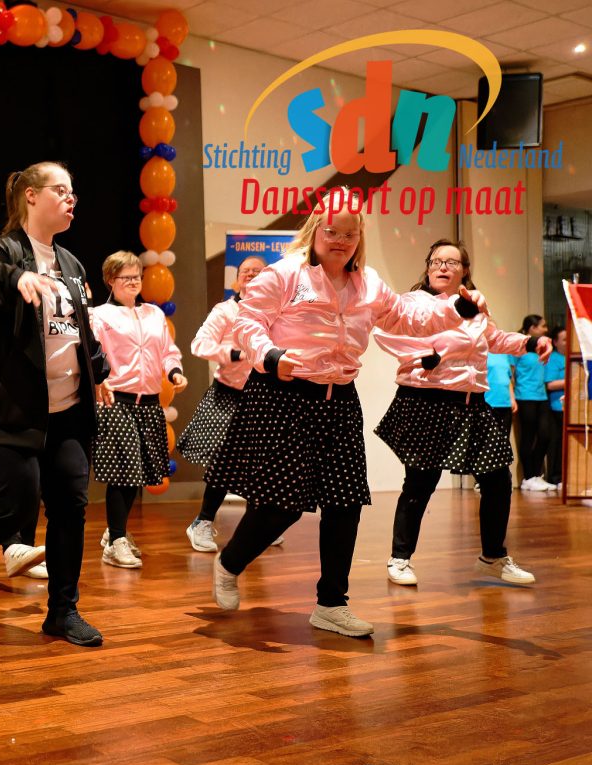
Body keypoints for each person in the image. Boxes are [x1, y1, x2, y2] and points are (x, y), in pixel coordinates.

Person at [205, 187, 486, 637]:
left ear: (360, 237)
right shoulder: (284, 274)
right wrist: (271, 355)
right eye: (332, 232)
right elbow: (247, 321)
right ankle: (230, 562)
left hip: (339, 400)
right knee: (282, 505)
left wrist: (457, 308)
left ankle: (331, 603)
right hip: (285, 395)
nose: (340, 241)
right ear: (316, 229)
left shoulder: (368, 283)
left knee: (345, 502)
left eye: (349, 234)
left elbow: (407, 319)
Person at [0, 161, 110, 646]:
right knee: (15, 507)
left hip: (68, 412)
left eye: (74, 193)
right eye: (61, 190)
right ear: (31, 195)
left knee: (70, 508)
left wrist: (99, 371)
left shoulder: (71, 264)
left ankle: (63, 612)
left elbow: (80, 329)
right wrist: (13, 278)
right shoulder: (3, 252)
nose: (71, 199)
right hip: (12, 410)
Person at [373, 239, 550, 588]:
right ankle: (400, 558)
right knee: (420, 482)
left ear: (464, 270)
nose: (443, 267)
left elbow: (494, 339)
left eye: (452, 262)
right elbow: (393, 337)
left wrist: (530, 343)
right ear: (427, 267)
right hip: (426, 401)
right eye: (436, 261)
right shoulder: (414, 303)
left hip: (471, 403)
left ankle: (493, 557)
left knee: (498, 479)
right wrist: (430, 354)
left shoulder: (476, 305)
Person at [178, 255, 283, 552]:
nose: (251, 275)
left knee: (261, 465)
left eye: (257, 271)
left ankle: (256, 528)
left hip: (265, 397)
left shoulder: (277, 312)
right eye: (245, 271)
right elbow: (199, 344)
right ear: (237, 279)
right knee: (224, 463)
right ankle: (202, 522)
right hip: (229, 395)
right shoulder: (225, 310)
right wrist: (234, 354)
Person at [89, 250, 186, 568]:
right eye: (126, 277)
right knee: (124, 471)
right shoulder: (100, 316)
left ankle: (115, 532)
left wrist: (174, 372)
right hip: (117, 401)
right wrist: (100, 382)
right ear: (110, 280)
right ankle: (116, 541)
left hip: (150, 402)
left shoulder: (153, 314)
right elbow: (92, 356)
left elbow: (168, 351)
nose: (133, 282)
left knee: (140, 472)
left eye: (137, 277)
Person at [514, 314, 556, 492]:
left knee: (545, 435)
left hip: (542, 396)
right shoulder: (519, 347)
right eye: (542, 326)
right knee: (528, 437)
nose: (546, 329)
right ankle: (528, 477)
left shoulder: (542, 347)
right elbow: (511, 373)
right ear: (532, 328)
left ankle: (536, 475)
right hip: (525, 396)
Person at [544, 325, 567, 488]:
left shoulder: (573, 357)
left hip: (574, 408)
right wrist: (572, 381)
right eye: (564, 339)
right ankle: (556, 477)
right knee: (558, 443)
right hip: (558, 406)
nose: (567, 342)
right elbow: (550, 384)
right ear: (555, 342)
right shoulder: (553, 359)